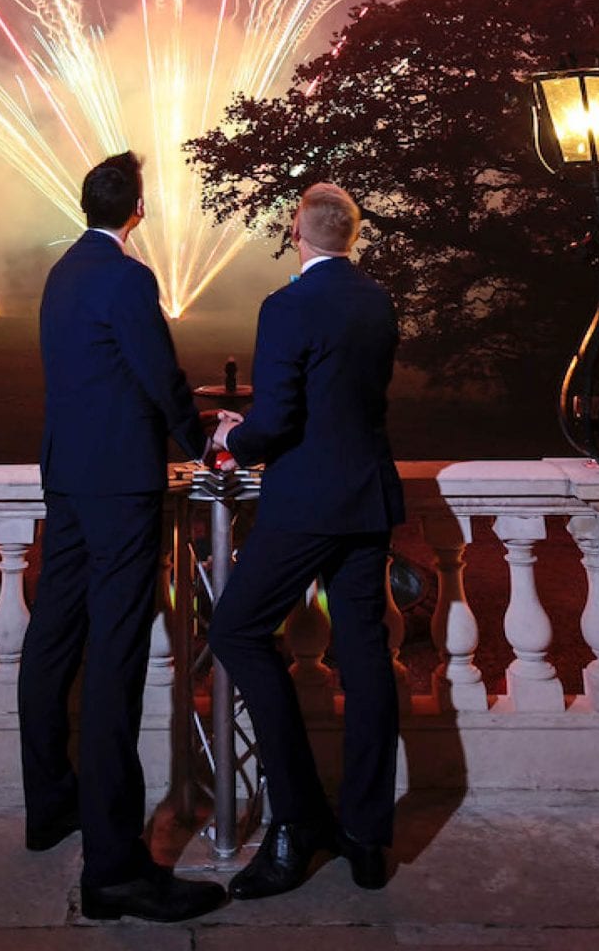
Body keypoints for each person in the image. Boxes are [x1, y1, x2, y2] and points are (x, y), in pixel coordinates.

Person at [18, 151, 227, 924]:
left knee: (51, 639)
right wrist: (199, 442)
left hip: (66, 477)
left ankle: (50, 807)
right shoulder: (128, 278)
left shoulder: (64, 272)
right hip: (119, 485)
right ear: (137, 210)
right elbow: (157, 372)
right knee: (115, 659)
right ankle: (113, 869)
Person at [208, 181, 404, 902]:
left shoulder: (287, 305)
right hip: (368, 496)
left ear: (299, 232)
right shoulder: (377, 300)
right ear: (352, 235)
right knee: (364, 657)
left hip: (308, 501)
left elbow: (281, 415)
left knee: (236, 630)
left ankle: (295, 821)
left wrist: (235, 436)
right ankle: (366, 836)